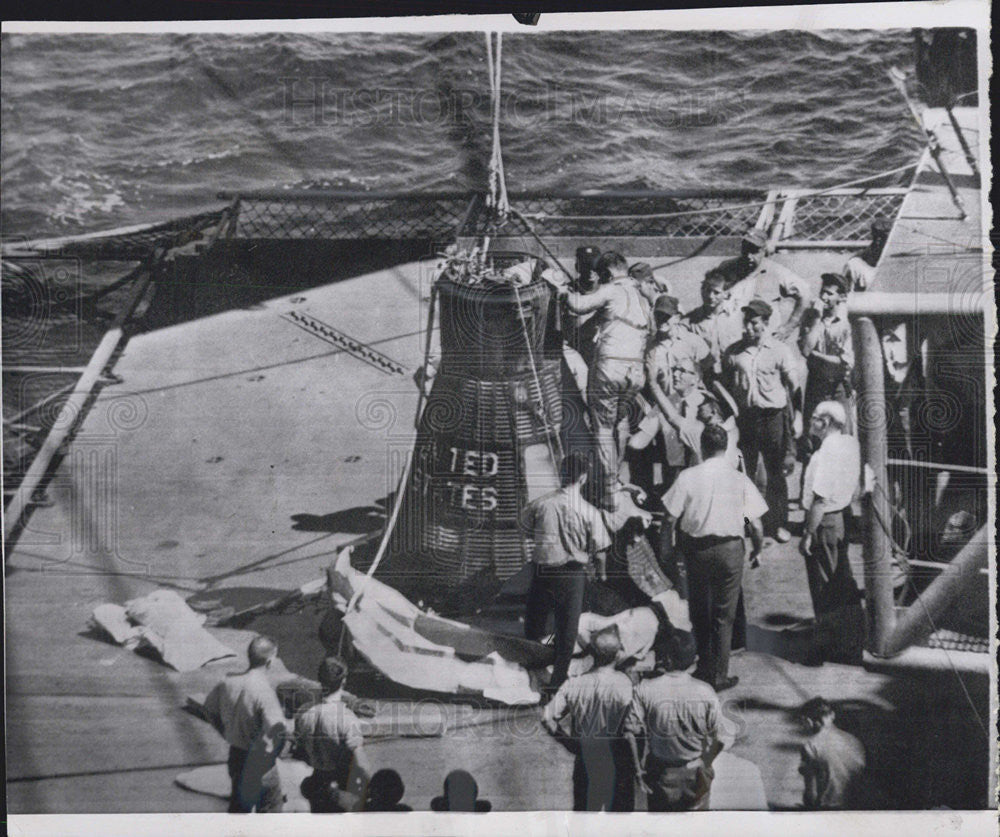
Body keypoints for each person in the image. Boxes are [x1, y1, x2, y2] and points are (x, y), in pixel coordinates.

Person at [661, 424, 767, 691]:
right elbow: (755, 524)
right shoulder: (738, 479)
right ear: (725, 447)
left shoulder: (687, 477)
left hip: (696, 549)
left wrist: (666, 550)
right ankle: (719, 674)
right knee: (724, 614)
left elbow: (669, 518)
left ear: (703, 447)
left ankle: (704, 664)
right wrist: (758, 548)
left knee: (699, 607)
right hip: (730, 550)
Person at [553, 251, 651, 509]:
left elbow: (577, 305)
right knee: (618, 424)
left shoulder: (611, 290)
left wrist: (561, 290)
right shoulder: (642, 296)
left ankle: (609, 491)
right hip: (636, 372)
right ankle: (616, 478)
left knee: (603, 429)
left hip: (611, 368)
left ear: (607, 274)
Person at [520, 451, 613, 694]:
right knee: (566, 631)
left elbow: (525, 528)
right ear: (583, 478)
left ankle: (531, 671)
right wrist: (600, 575)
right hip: (571, 575)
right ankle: (557, 682)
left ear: (562, 474)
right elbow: (601, 550)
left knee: (535, 626)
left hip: (542, 572)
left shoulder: (540, 504)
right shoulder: (589, 511)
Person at [723, 297, 798, 542]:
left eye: (754, 323)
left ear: (765, 323)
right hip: (746, 418)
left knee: (776, 472)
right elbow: (724, 383)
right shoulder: (734, 352)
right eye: (747, 323)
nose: (749, 328)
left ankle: (777, 524)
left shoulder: (780, 351)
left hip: (773, 416)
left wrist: (795, 418)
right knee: (745, 472)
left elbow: (793, 387)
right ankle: (747, 522)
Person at [542, 626, 637, 811]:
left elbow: (547, 716)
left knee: (584, 821)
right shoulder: (625, 684)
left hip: (585, 758)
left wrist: (567, 741)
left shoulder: (574, 683)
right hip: (616, 759)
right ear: (617, 655)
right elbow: (632, 725)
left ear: (591, 653)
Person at [798, 402, 864, 664]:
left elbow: (820, 500)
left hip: (825, 521)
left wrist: (807, 533)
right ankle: (849, 638)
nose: (811, 422)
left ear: (825, 422)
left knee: (824, 586)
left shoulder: (825, 453)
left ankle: (828, 647)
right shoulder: (850, 444)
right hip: (843, 516)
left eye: (814, 418)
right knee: (841, 580)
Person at [624, 646, 725, 811]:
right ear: (694, 662)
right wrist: (705, 762)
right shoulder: (705, 691)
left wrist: (638, 770)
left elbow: (630, 732)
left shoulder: (645, 689)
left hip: (661, 772)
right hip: (696, 770)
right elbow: (719, 738)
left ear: (666, 660)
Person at [201, 635, 288, 813]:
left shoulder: (228, 682)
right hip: (260, 760)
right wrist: (276, 753)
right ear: (271, 660)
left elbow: (208, 709)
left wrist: (224, 731)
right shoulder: (264, 691)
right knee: (270, 812)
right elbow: (278, 730)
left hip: (236, 756)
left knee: (239, 810)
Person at [685, 258, 809, 379]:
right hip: (710, 371)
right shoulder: (694, 319)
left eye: (716, 292)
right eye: (706, 291)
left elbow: (805, 293)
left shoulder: (737, 315)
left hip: (739, 367)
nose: (710, 296)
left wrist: (788, 326)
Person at [293, 656, 372, 813]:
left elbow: (300, 752)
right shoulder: (347, 718)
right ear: (343, 681)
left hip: (317, 782)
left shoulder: (304, 713)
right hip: (341, 785)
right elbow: (362, 764)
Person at [798, 272, 854, 433]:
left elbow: (845, 361)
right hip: (815, 384)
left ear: (842, 297)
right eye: (822, 291)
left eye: (829, 293)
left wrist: (817, 356)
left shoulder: (847, 322)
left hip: (838, 385)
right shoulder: (810, 316)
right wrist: (817, 319)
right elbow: (806, 349)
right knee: (814, 432)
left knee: (842, 432)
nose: (823, 297)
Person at [798, 697, 866, 809]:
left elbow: (811, 792)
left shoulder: (810, 747)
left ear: (808, 721)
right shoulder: (853, 740)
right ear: (832, 715)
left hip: (829, 807)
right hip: (855, 805)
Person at [645, 295, 712, 394]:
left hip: (693, 402)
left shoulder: (694, 342)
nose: (662, 320)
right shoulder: (649, 348)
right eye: (658, 315)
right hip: (665, 404)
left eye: (666, 316)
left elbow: (709, 374)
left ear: (677, 318)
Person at [843, 217, 891, 291]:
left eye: (882, 237)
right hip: (876, 281)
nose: (878, 240)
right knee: (853, 262)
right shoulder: (871, 249)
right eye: (876, 236)